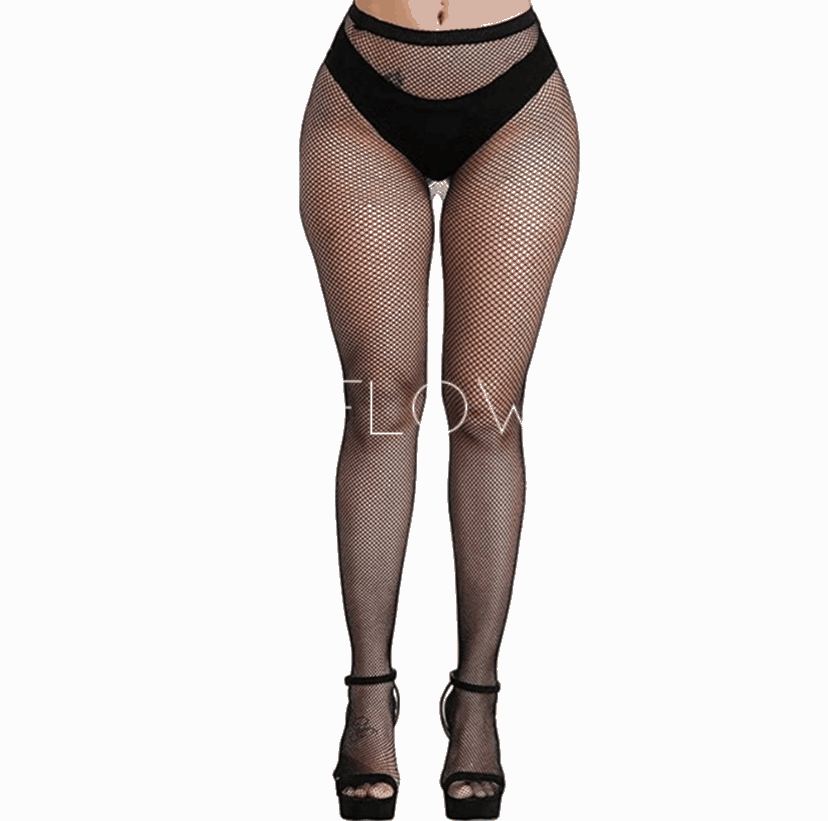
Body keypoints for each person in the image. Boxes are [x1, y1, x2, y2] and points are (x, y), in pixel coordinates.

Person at [299, 0, 579, 817]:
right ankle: (369, 693)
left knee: (488, 411)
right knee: (379, 403)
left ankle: (476, 698)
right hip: (362, 97)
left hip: (515, 98)